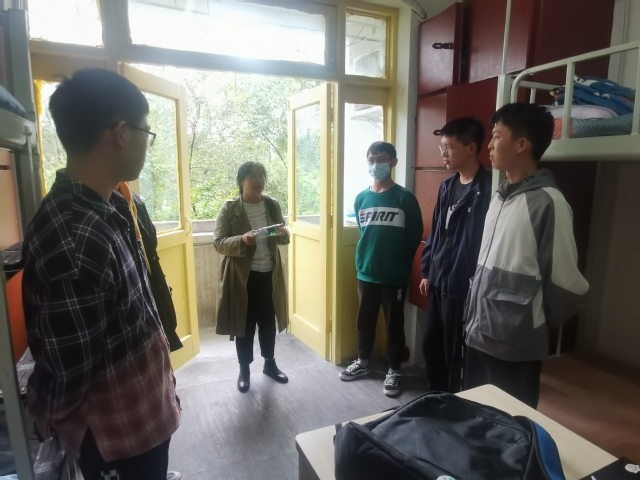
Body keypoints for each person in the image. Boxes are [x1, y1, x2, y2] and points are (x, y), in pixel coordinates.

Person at [21, 68, 181, 480]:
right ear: (122, 133)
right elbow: (67, 371)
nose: (147, 143)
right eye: (147, 132)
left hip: (140, 420)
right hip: (117, 442)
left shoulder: (107, 206)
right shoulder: (75, 236)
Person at [463, 103, 589, 408]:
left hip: (515, 345)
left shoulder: (549, 203)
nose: (489, 145)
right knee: (475, 415)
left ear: (521, 144)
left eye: (496, 136)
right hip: (478, 334)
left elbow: (566, 284)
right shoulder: (499, 197)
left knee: (513, 422)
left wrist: (528, 323)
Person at [339, 141, 423, 396]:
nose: (376, 164)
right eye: (371, 160)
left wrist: (397, 261)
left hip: (394, 276)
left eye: (382, 159)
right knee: (364, 321)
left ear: (393, 162)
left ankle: (394, 371)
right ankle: (363, 362)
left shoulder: (405, 198)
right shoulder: (361, 199)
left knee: (394, 325)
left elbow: (414, 236)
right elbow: (365, 233)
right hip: (366, 272)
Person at [419, 118, 492, 393]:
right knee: (432, 347)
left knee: (457, 354)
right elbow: (436, 231)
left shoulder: (487, 189)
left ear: (471, 148)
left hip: (464, 286)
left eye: (448, 147)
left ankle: (454, 404)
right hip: (439, 280)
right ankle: (435, 399)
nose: (443, 154)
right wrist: (427, 270)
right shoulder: (447, 185)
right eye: (442, 148)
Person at [213, 161, 290, 393]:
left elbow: (283, 237)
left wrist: (283, 232)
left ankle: (270, 364)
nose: (258, 180)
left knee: (268, 323)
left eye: (261, 175)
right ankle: (244, 370)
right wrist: (242, 240)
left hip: (269, 275)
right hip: (242, 278)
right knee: (244, 326)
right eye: (252, 176)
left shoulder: (272, 204)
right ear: (241, 181)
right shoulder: (230, 208)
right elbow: (218, 243)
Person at [117, 182, 183, 353]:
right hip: (129, 333)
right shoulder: (88, 213)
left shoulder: (133, 200)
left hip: (150, 286)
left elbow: (150, 245)